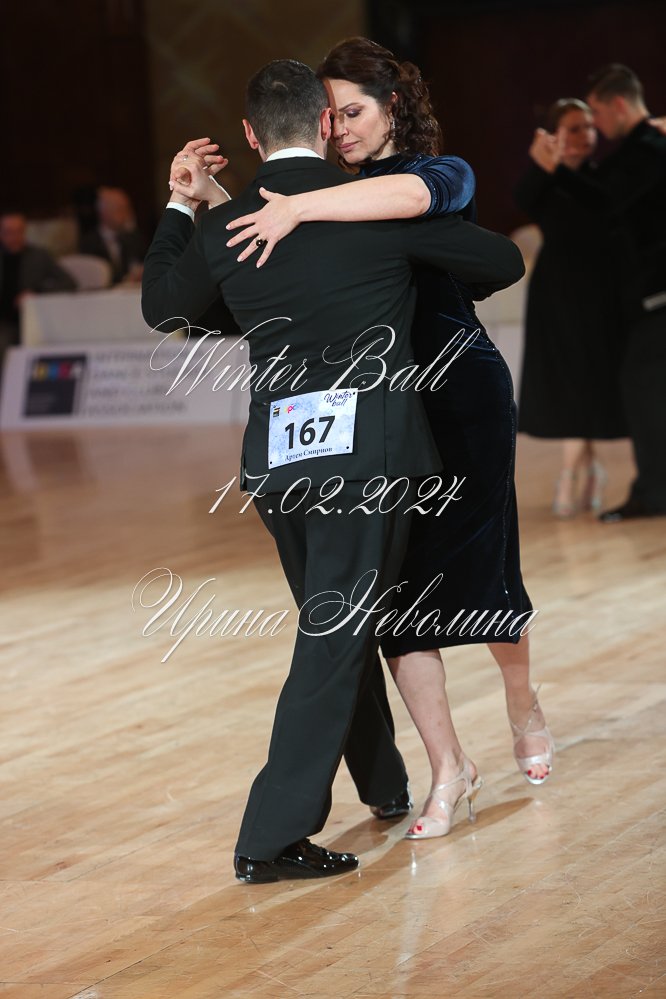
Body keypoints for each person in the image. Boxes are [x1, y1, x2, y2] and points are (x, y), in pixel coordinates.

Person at [143, 58, 524, 880]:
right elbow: (500, 261)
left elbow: (166, 308)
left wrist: (182, 204)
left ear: (249, 135)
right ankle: (270, 837)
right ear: (324, 123)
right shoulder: (372, 212)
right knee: (333, 637)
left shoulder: (230, 225)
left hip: (279, 465)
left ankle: (384, 781)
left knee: (336, 620)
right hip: (366, 464)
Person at [530, 64, 666, 522]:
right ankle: (651, 491)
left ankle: (653, 494)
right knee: (641, 389)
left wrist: (557, 169)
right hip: (639, 294)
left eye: (598, 116)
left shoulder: (648, 149)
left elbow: (605, 202)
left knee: (642, 389)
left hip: (656, 290)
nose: (597, 127)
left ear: (619, 105)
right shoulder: (640, 149)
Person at [515, 98, 626, 518]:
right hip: (556, 293)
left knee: (588, 383)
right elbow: (523, 198)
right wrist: (545, 164)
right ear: (555, 134)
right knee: (570, 383)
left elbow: (603, 207)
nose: (584, 136)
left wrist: (558, 168)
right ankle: (585, 471)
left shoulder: (604, 175)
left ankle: (574, 474)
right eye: (573, 128)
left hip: (600, 293)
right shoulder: (546, 177)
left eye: (588, 127)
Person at [0, 211, 76, 367]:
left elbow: (69, 283)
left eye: (19, 231)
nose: (14, 237)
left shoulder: (39, 255)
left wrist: (37, 294)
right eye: (8, 232)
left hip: (33, 318)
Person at [79, 187, 146, 284]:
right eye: (119, 209)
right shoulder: (88, 243)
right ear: (103, 212)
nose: (126, 214)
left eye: (127, 209)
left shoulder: (134, 239)